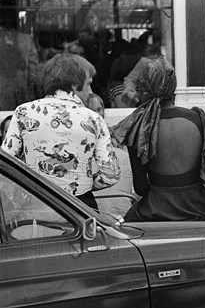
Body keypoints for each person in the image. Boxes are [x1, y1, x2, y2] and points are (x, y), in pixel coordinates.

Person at [112, 58, 205, 222]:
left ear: (145, 89)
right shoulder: (198, 119)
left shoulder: (138, 126)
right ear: (173, 87)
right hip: (200, 209)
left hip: (155, 211)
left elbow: (141, 188)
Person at [1, 54, 120, 209]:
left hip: (36, 205)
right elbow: (110, 175)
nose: (90, 91)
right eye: (88, 84)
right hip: (81, 207)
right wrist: (84, 184)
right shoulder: (93, 119)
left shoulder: (23, 112)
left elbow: (5, 163)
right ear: (74, 84)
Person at [86, 93, 137, 218]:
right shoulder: (84, 141)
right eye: (93, 110)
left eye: (99, 109)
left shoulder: (116, 135)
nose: (98, 114)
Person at [122, 42, 163, 107]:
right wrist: (131, 92)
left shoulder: (163, 62)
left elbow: (129, 79)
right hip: (147, 100)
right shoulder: (144, 61)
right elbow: (130, 79)